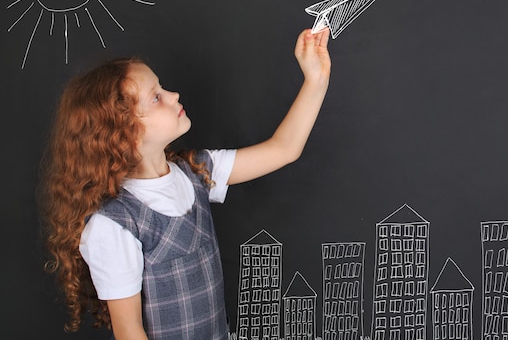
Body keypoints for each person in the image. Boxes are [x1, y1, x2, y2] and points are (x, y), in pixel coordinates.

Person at [41, 28, 331, 340]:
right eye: (156, 97)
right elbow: (129, 332)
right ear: (123, 133)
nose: (173, 95)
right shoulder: (113, 225)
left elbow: (283, 149)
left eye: (162, 89)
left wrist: (316, 79)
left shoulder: (196, 171)